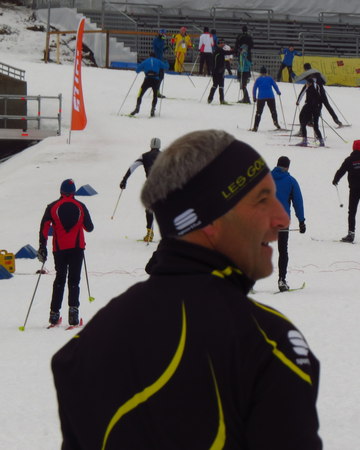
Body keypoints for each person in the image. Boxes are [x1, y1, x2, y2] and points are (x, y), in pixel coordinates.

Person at [51, 130, 322, 449]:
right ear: (210, 218)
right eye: (262, 200)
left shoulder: (83, 348)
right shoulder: (268, 346)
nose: (281, 218)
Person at [38, 178, 94, 328]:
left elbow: (44, 228)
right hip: (77, 248)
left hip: (59, 249)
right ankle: (73, 316)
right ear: (74, 191)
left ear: (61, 191)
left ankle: (54, 315)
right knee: (74, 280)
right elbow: (89, 227)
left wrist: (42, 246)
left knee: (60, 279)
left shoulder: (52, 207)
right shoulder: (81, 206)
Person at [272, 156, 306, 292]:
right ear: (287, 167)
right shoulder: (291, 181)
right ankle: (282, 280)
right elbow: (298, 202)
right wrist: (302, 221)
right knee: (282, 250)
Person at [119, 137, 162, 243]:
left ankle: (149, 233)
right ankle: (169, 234)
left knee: (149, 209)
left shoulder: (144, 156)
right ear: (159, 146)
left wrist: (124, 180)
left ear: (151, 145)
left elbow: (132, 167)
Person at [130, 52, 169, 117]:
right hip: (155, 80)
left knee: (140, 94)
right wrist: (165, 61)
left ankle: (137, 108)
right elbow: (166, 67)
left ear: (149, 56)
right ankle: (153, 109)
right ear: (155, 56)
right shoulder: (158, 61)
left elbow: (137, 70)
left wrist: (142, 68)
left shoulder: (145, 61)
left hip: (147, 80)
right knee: (155, 95)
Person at [251, 66, 282, 131]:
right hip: (270, 96)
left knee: (259, 112)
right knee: (273, 110)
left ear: (260, 73)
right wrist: (278, 92)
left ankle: (255, 127)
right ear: (266, 72)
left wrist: (254, 97)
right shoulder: (270, 78)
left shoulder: (258, 79)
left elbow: (254, 88)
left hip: (261, 97)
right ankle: (275, 122)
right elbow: (275, 85)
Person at [295, 77, 324, 146]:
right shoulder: (317, 88)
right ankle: (321, 141)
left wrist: (298, 102)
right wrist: (319, 109)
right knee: (316, 126)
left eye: (307, 83)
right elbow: (320, 99)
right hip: (317, 108)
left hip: (309, 108)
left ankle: (304, 141)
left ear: (310, 83)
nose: (306, 84)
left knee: (303, 124)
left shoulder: (309, 89)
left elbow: (303, 94)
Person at [208, 40, 234, 104]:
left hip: (216, 71)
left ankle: (210, 98)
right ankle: (221, 100)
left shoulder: (217, 50)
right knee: (220, 85)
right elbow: (227, 53)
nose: (223, 44)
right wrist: (235, 51)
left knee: (216, 85)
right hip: (218, 71)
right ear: (218, 44)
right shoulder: (219, 50)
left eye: (223, 43)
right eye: (221, 43)